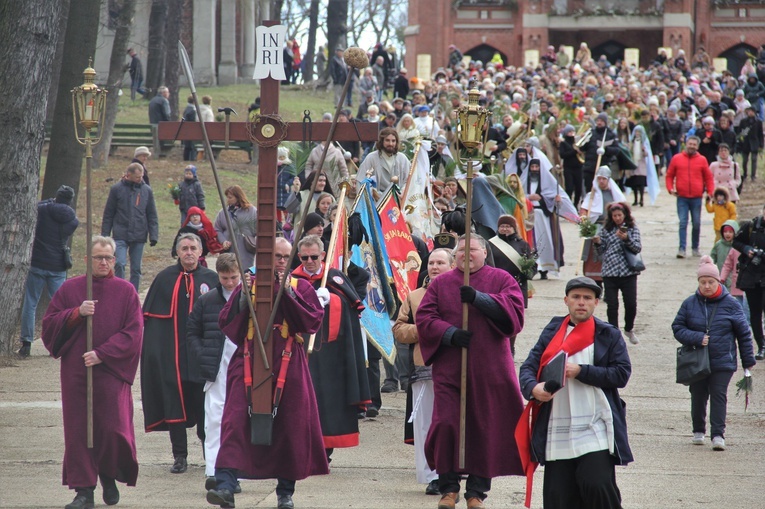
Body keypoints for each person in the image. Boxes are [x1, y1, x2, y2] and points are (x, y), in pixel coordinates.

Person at [207, 238, 327, 509]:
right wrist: (242, 296)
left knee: (291, 425)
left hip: (288, 360)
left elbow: (312, 321)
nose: (282, 261)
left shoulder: (301, 287)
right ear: (265, 258)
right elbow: (227, 323)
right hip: (249, 358)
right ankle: (225, 485)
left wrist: (287, 292)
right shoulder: (248, 285)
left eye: (286, 256)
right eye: (276, 256)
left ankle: (285, 492)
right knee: (234, 421)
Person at [417, 235, 526, 509]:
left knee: (484, 428)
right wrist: (450, 333)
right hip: (450, 370)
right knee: (446, 424)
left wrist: (480, 299)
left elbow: (514, 316)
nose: (466, 254)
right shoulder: (441, 283)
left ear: (484, 253)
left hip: (490, 368)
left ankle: (476, 491)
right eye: (461, 250)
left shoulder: (502, 279)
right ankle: (448, 488)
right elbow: (425, 317)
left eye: (472, 249)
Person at [41, 236, 142, 509]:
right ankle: (84, 490)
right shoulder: (70, 289)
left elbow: (134, 333)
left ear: (115, 259)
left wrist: (103, 353)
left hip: (111, 371)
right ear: (88, 259)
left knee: (112, 428)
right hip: (76, 371)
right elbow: (49, 327)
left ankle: (108, 474)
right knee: (79, 431)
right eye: (98, 257)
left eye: (109, 257)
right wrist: (76, 313)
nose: (104, 262)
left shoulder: (126, 291)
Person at [517, 276, 633, 509]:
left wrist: (581, 371)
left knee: (597, 485)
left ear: (596, 303)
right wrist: (533, 388)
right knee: (559, 497)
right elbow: (529, 367)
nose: (582, 302)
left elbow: (621, 374)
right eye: (576, 297)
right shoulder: (553, 329)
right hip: (557, 426)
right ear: (566, 300)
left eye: (587, 298)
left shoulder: (607, 334)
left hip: (594, 425)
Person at [141, 233, 220, 474]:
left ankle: (211, 458)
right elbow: (152, 325)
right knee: (174, 406)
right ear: (177, 252)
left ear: (200, 252)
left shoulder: (211, 278)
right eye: (184, 248)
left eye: (192, 248)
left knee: (206, 411)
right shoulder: (164, 278)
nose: (188, 252)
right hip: (172, 358)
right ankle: (180, 457)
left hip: (200, 358)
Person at [291, 235, 371, 463]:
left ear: (323, 255)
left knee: (328, 402)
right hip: (300, 350)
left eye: (314, 257)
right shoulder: (292, 279)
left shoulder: (334, 278)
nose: (309, 261)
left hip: (331, 355)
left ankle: (325, 450)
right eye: (304, 257)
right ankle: (303, 448)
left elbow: (353, 310)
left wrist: (332, 301)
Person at [671, 256, 756, 451]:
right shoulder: (689, 303)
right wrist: (696, 337)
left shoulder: (732, 304)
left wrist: (747, 360)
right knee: (698, 394)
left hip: (723, 360)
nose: (707, 286)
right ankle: (698, 431)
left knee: (719, 395)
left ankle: (718, 435)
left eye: (711, 282)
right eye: (703, 282)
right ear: (698, 283)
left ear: (718, 281)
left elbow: (743, 334)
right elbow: (677, 327)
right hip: (697, 359)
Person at [392, 248, 453, 497]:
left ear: (452, 265)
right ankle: (433, 475)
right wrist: (425, 330)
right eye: (432, 262)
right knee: (427, 424)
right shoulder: (415, 296)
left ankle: (456, 469)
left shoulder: (462, 293)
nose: (435, 267)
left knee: (455, 421)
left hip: (456, 366)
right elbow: (399, 329)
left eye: (441, 262)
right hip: (424, 368)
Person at [186, 253, 241, 489]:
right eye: (225, 278)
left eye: (234, 277)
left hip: (242, 367)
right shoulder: (207, 300)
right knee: (214, 421)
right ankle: (213, 471)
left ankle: (236, 474)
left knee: (240, 422)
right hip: (216, 370)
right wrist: (203, 354)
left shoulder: (249, 297)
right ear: (218, 275)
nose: (229, 282)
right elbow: (192, 331)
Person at [18, 185, 79, 357]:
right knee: (61, 306)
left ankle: (26, 343)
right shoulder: (72, 221)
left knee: (30, 303)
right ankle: (60, 341)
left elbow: (41, 205)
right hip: (57, 266)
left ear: (56, 197)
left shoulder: (40, 210)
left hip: (37, 263)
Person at [100, 162, 159, 292]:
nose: (141, 179)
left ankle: (133, 294)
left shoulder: (146, 190)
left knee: (136, 268)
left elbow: (152, 214)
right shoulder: (116, 189)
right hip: (120, 233)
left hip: (139, 234)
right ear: (129, 175)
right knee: (120, 263)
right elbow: (109, 213)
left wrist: (153, 235)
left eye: (142, 176)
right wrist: (105, 235)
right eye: (138, 177)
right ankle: (120, 291)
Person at [593, 203, 642, 345]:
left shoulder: (632, 229)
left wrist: (626, 239)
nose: (617, 218)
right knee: (612, 305)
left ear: (625, 215)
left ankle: (629, 328)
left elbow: (637, 248)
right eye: (614, 216)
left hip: (628, 272)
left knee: (631, 304)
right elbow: (601, 252)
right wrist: (597, 243)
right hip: (610, 272)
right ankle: (614, 333)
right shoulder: (606, 230)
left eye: (620, 215)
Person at [521, 158, 578, 279]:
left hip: (544, 217)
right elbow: (518, 196)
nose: (535, 170)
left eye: (537, 167)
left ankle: (544, 269)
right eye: (532, 167)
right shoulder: (524, 182)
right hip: (528, 217)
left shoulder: (549, 183)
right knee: (530, 243)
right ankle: (531, 268)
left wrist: (555, 200)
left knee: (546, 242)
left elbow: (557, 200)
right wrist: (528, 197)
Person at [666, 135, 715, 259]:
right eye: (690, 144)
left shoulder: (702, 160)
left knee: (697, 223)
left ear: (697, 146)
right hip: (682, 197)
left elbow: (708, 177)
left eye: (694, 144)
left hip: (696, 197)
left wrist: (710, 191)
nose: (692, 146)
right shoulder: (676, 158)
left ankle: (695, 248)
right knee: (683, 222)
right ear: (686, 144)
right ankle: (681, 248)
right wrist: (670, 188)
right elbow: (669, 175)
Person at [732, 206, 765, 360]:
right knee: (755, 312)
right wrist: (747, 249)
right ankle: (761, 346)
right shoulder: (751, 226)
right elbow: (735, 241)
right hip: (752, 275)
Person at [489, 215, 536, 314]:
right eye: (502, 226)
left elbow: (532, 265)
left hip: (518, 283)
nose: (505, 229)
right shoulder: (491, 244)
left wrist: (527, 274)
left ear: (514, 228)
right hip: (498, 284)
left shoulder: (523, 244)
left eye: (508, 226)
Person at [213, 185, 258, 268]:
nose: (228, 200)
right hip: (228, 251)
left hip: (245, 250)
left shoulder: (251, 211)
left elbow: (259, 229)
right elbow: (217, 229)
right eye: (227, 197)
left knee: (245, 272)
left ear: (238, 197)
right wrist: (223, 241)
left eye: (230, 197)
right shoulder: (223, 212)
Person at [357, 127, 410, 195]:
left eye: (393, 141)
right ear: (382, 141)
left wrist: (401, 194)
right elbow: (361, 181)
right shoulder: (371, 158)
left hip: (398, 200)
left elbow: (408, 181)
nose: (390, 144)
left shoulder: (402, 159)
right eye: (387, 140)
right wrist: (374, 194)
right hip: (376, 202)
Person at [558, 124, 584, 207]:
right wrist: (574, 151)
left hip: (578, 167)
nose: (571, 133)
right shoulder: (563, 143)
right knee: (569, 187)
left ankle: (576, 204)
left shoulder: (577, 142)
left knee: (579, 188)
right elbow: (563, 155)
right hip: (568, 168)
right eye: (569, 131)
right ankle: (568, 205)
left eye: (573, 131)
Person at [738, 106, 763, 181]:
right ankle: (745, 174)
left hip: (755, 143)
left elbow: (760, 134)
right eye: (749, 111)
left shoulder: (758, 122)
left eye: (752, 111)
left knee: (754, 159)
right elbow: (740, 133)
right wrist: (740, 140)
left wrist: (761, 145)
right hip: (745, 143)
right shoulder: (743, 121)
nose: (750, 113)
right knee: (745, 160)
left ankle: (753, 175)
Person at [149, 86, 171, 156]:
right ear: (164, 93)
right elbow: (167, 114)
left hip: (153, 124)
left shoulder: (152, 100)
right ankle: (163, 152)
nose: (168, 94)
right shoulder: (164, 101)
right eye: (167, 92)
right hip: (162, 126)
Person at [182, 95, 197, 161]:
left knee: (187, 146)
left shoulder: (186, 109)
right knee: (191, 146)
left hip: (185, 130)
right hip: (191, 131)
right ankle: (191, 158)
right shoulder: (192, 110)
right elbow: (193, 122)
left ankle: (186, 158)